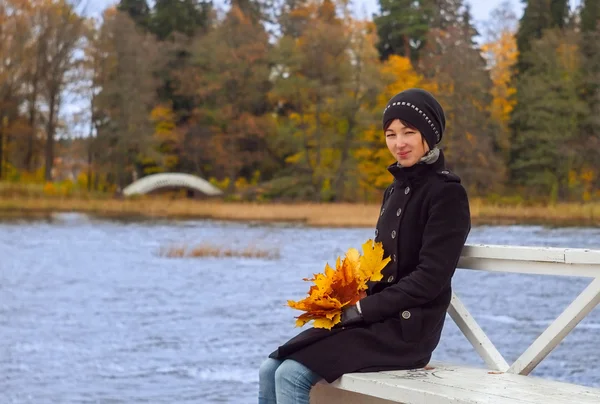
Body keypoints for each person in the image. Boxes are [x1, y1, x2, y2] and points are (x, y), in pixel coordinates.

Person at [258, 88, 472, 404]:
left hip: (407, 331)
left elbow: (430, 279)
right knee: (269, 368)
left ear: (429, 134)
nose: (399, 143)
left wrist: (361, 309)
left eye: (409, 132)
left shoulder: (447, 194)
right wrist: (342, 297)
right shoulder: (394, 191)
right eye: (390, 134)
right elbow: (379, 265)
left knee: (291, 375)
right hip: (371, 319)